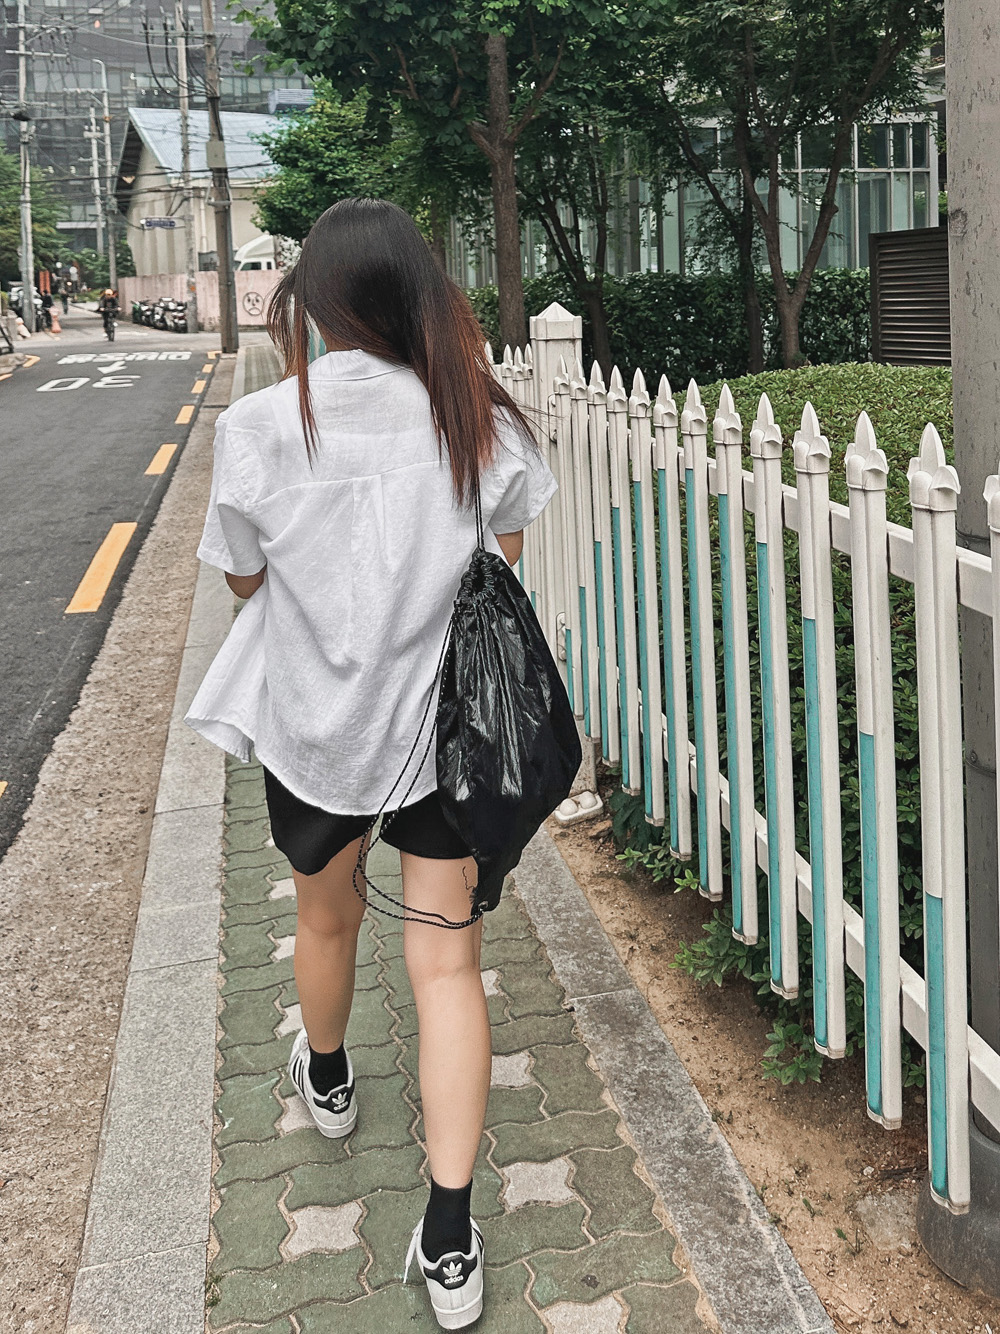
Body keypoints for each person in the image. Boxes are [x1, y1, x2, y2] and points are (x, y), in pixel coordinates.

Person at [185, 198, 556, 1329]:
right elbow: (500, 564)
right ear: (414, 295)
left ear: (314, 304)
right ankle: (449, 1231)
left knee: (324, 918)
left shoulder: (259, 427)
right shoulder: (470, 413)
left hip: (316, 728)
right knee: (447, 966)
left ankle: (331, 1075)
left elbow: (242, 577)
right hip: (445, 735)